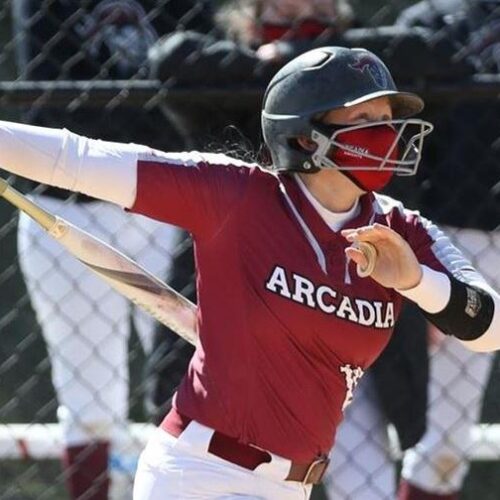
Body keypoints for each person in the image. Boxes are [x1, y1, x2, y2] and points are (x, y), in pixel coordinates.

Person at [0, 46, 499, 500]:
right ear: (306, 136)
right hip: (199, 475)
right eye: (364, 118)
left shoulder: (402, 229)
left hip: (291, 487)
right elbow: (77, 159)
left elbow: (489, 329)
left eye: (388, 119)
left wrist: (414, 280)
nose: (386, 133)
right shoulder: (234, 196)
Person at [11, 1, 212, 499]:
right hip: (65, 200)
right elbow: (58, 83)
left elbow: (192, 65)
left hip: (164, 192)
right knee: (90, 400)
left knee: (201, 373)